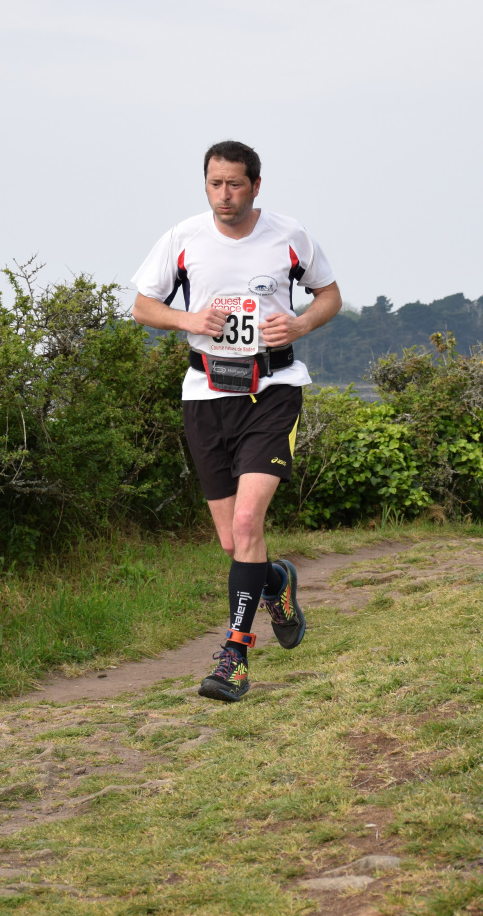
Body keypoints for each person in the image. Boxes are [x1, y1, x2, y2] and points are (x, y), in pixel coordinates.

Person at [131, 140, 342, 702]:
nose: (224, 195)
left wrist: (300, 325)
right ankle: (276, 580)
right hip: (205, 394)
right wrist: (189, 319)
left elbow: (330, 296)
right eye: (214, 184)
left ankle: (235, 656)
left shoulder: (288, 235)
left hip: (273, 390)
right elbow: (143, 306)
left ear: (255, 185)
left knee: (248, 522)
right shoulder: (182, 238)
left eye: (235, 184)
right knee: (233, 541)